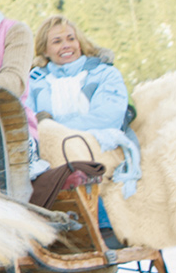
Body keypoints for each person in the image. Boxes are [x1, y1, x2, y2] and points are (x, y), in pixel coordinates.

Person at [28, 15, 142, 198]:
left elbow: (107, 118)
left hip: (101, 150)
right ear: (45, 50)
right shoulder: (34, 82)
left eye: (71, 39)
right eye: (57, 41)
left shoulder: (104, 73)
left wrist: (53, 125)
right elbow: (27, 122)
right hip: (49, 160)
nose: (66, 45)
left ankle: (104, 224)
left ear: (80, 43)